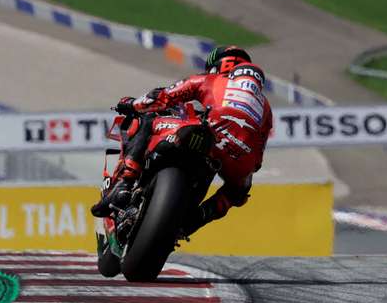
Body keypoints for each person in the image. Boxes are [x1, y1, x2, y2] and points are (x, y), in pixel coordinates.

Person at [91, 45, 273, 238]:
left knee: (147, 119)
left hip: (200, 134)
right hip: (239, 160)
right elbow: (258, 157)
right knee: (237, 192)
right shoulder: (266, 108)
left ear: (215, 67)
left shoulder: (210, 80)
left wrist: (131, 104)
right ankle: (198, 218)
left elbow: (160, 97)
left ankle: (125, 183)